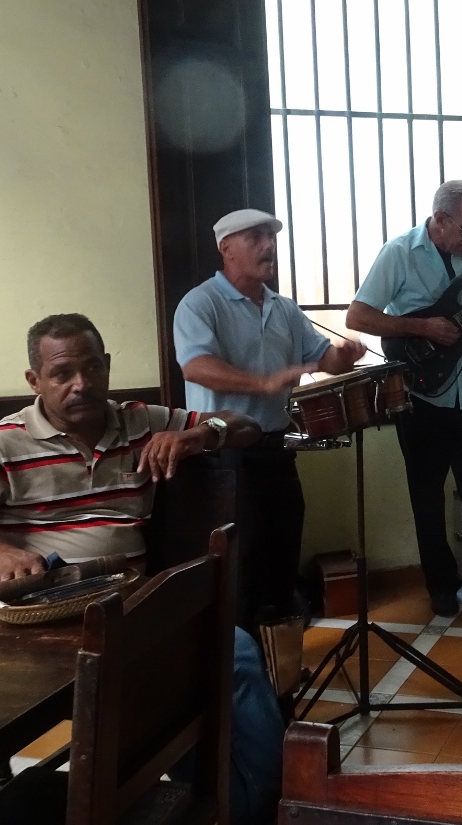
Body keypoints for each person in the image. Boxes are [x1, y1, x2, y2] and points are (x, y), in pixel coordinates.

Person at [0, 313, 283, 825]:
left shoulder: (138, 420)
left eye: (91, 368)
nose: (81, 384)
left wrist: (201, 435)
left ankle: (248, 803)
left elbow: (246, 426)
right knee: (191, 682)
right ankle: (240, 805)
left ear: (106, 366)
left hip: (132, 608)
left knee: (232, 653)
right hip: (47, 627)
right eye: (62, 374)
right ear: (35, 380)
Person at [173, 208, 365, 626]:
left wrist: (344, 356)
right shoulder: (200, 303)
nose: (269, 246)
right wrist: (262, 382)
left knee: (281, 556)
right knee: (239, 568)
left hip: (276, 452)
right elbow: (195, 366)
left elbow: (324, 359)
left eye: (271, 237)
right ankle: (239, 657)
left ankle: (279, 655)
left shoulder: (285, 309)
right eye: (256, 237)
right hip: (224, 457)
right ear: (226, 248)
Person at [345, 181, 462, 617]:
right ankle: (441, 586)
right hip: (419, 394)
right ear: (440, 219)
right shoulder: (399, 252)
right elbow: (358, 315)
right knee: (427, 496)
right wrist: (422, 327)